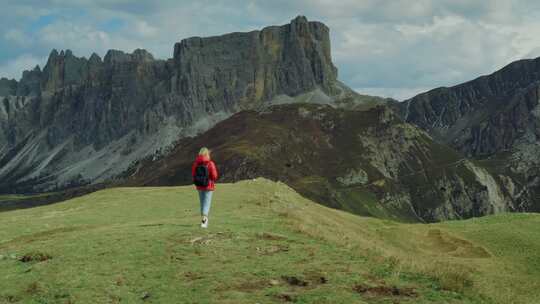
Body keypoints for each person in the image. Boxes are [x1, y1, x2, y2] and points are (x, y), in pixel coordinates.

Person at [191, 147, 219, 228]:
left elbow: (193, 174)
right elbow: (214, 176)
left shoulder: (196, 163)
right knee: (206, 203)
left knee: (202, 203)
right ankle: (204, 221)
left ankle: (204, 219)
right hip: (208, 186)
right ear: (207, 154)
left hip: (199, 186)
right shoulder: (210, 163)